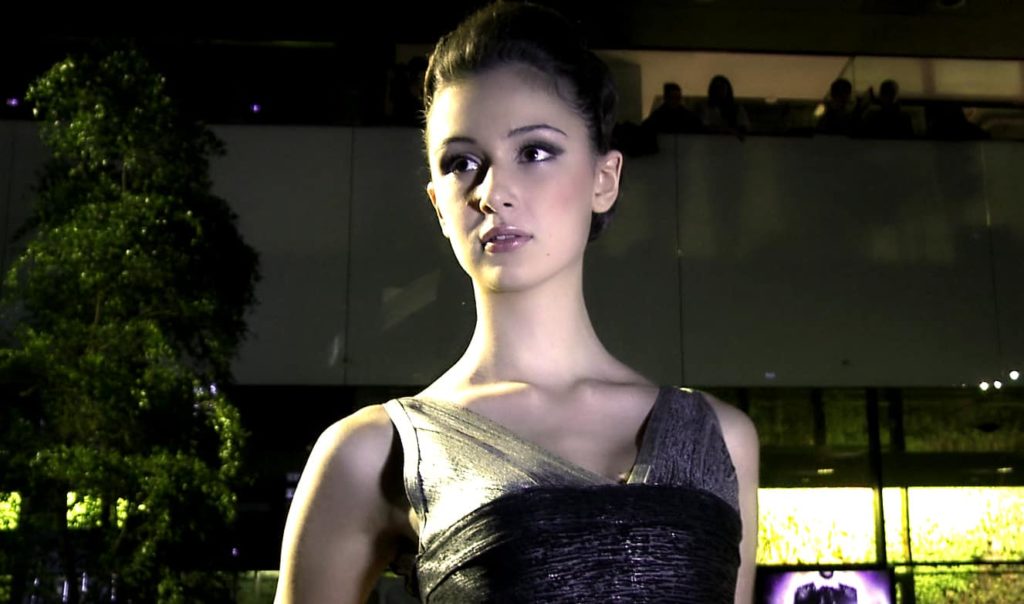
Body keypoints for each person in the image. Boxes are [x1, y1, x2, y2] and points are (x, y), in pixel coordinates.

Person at [274, 2, 759, 602]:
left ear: (604, 179)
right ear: (438, 204)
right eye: (461, 163)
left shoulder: (721, 439)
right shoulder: (374, 453)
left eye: (534, 152)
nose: (493, 192)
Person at [701, 74, 751, 139]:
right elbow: (705, 127)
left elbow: (744, 127)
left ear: (727, 90)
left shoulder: (737, 109)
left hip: (732, 141)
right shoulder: (706, 109)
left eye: (722, 88)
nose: (719, 91)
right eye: (716, 88)